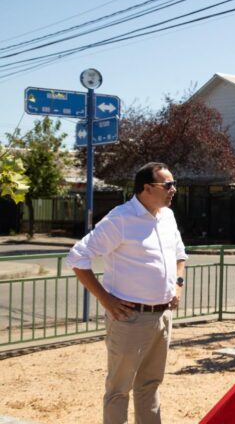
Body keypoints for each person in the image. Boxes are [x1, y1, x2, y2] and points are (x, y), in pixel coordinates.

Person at [67, 162, 187, 424]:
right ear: (146, 188)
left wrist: (177, 284)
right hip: (129, 317)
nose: (173, 190)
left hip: (163, 315)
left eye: (173, 184)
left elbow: (180, 254)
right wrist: (105, 298)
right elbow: (77, 258)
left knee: (151, 385)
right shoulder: (120, 219)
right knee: (119, 390)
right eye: (167, 185)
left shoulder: (167, 216)